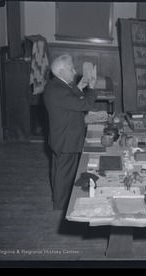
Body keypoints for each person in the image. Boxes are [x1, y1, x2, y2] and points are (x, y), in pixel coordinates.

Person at [43, 54, 98, 210]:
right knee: (65, 174)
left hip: (58, 137)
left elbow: (67, 96)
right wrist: (92, 88)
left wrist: (80, 87)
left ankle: (57, 197)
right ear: (60, 71)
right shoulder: (60, 90)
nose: (74, 72)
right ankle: (61, 204)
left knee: (58, 170)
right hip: (67, 139)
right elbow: (85, 105)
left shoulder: (54, 85)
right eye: (71, 68)